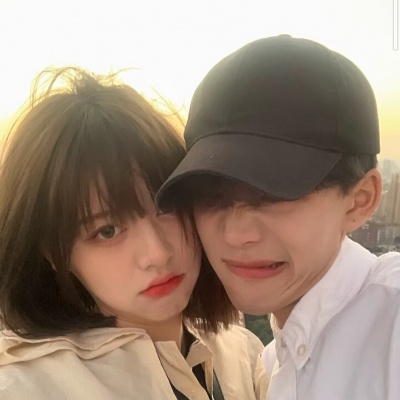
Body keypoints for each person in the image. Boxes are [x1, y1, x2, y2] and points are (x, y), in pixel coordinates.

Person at [0, 67, 268, 400]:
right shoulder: (29, 387)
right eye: (107, 230)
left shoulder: (243, 355)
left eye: (168, 206)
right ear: (55, 254)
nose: (157, 253)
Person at [156, 35, 400, 399]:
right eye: (211, 197)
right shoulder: (270, 365)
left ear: (358, 201)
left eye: (273, 195)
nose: (236, 234)